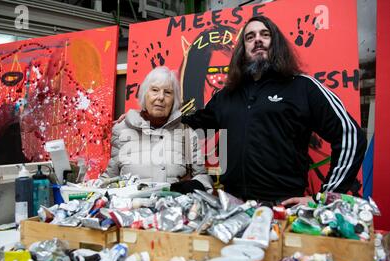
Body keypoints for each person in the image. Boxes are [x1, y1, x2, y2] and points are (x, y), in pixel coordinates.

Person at [181, 15, 367, 206]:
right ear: (242, 50)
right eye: (250, 37)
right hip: (232, 206)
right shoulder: (227, 95)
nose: (258, 40)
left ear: (275, 43)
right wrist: (157, 111)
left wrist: (326, 198)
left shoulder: (302, 87)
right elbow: (192, 125)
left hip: (282, 208)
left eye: (265, 34)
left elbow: (350, 136)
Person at [103, 66, 213, 194]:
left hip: (173, 211)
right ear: (145, 95)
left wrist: (193, 186)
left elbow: (202, 177)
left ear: (174, 100)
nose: (161, 97)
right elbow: (109, 180)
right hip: (132, 210)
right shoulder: (122, 130)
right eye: (155, 90)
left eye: (168, 92)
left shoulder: (187, 133)